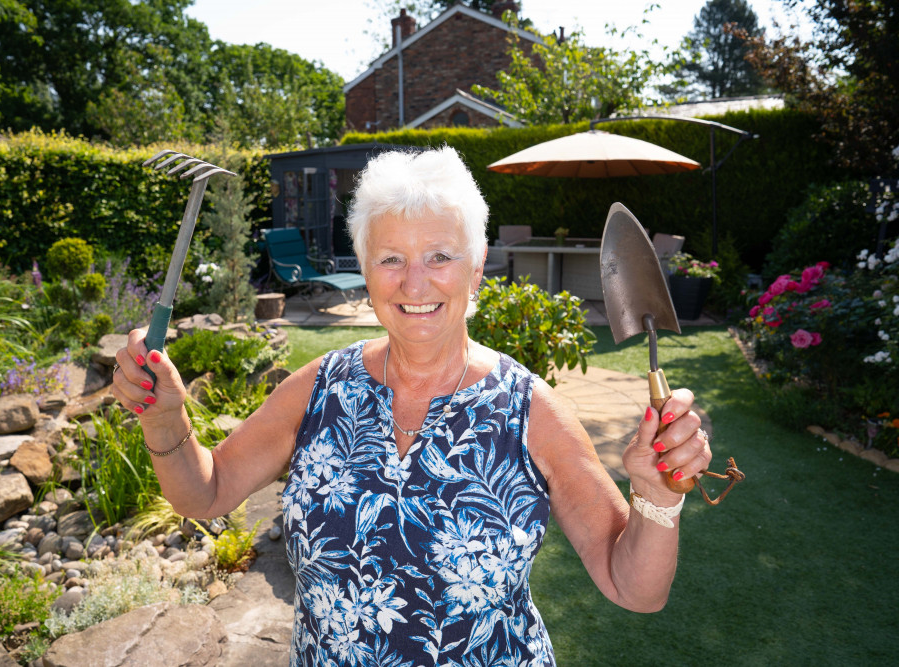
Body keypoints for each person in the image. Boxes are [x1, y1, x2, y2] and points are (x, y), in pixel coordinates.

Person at [112, 146, 712, 666]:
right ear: (366, 271)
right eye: (391, 258)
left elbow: (635, 589)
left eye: (440, 257)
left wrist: (658, 497)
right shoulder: (318, 387)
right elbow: (204, 493)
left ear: (477, 269)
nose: (415, 283)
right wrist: (167, 419)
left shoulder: (532, 411)